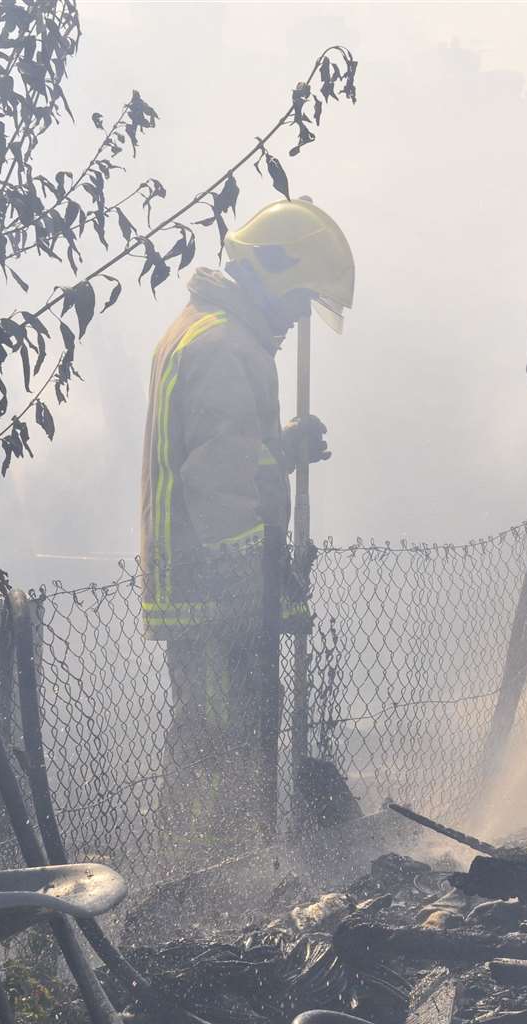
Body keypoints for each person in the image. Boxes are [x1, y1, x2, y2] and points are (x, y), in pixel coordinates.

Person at [139, 198, 352, 856]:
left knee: (221, 737)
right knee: (223, 748)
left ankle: (231, 868)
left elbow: (229, 454)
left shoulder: (212, 332)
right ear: (271, 273)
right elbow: (218, 488)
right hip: (216, 595)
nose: (295, 320)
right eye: (297, 302)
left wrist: (283, 449)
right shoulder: (227, 347)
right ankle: (211, 883)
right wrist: (258, 590)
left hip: (207, 586)